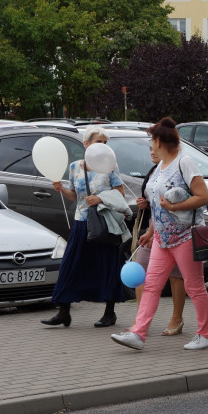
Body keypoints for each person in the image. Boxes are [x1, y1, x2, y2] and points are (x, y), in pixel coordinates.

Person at [111, 118, 208, 351]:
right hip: (162, 239)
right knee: (151, 285)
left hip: (185, 236)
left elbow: (203, 196)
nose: (151, 144)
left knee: (194, 286)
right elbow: (156, 205)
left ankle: (206, 334)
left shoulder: (184, 162)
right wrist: (150, 231)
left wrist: (175, 208)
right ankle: (138, 333)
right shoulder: (160, 166)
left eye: (152, 140)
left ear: (159, 141)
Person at [42, 127, 127, 329]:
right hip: (81, 222)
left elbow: (120, 193)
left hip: (103, 222)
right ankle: (63, 311)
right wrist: (62, 189)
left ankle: (109, 312)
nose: (103, 147)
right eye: (99, 142)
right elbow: (76, 196)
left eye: (106, 143)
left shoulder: (110, 166)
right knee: (71, 264)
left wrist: (100, 198)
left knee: (106, 265)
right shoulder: (75, 167)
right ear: (86, 144)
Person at [133, 149, 186, 336]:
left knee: (177, 276)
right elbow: (155, 203)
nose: (152, 151)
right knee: (139, 270)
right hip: (154, 230)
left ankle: (177, 319)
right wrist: (145, 204)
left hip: (178, 231)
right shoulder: (155, 171)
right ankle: (140, 322)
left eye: (156, 146)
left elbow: (187, 200)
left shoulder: (180, 169)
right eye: (150, 148)